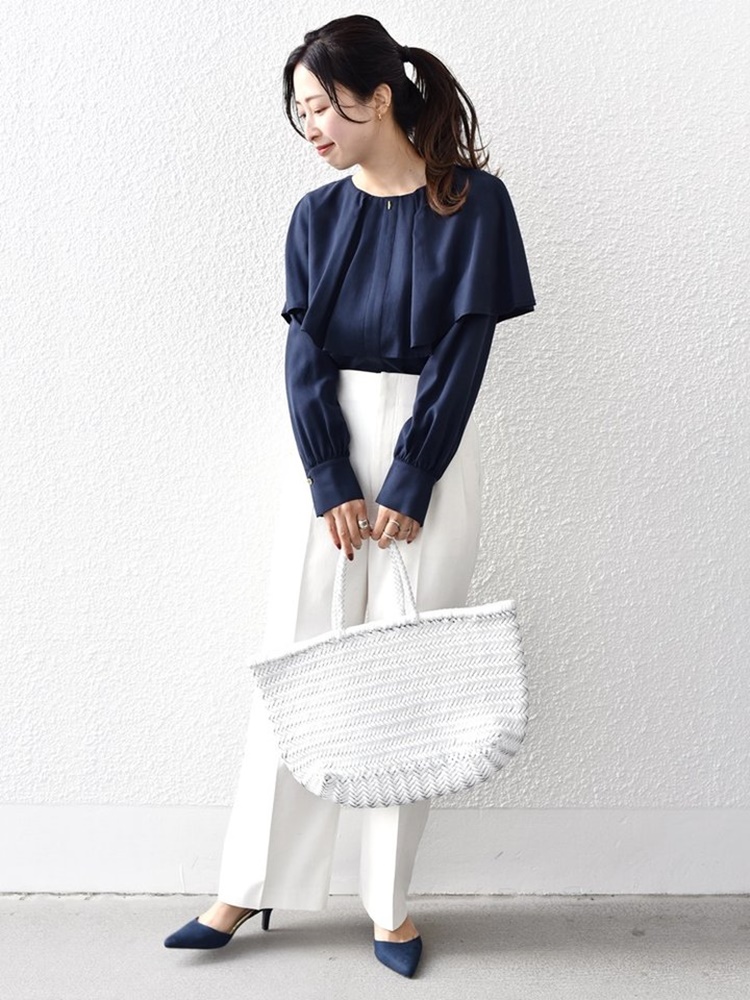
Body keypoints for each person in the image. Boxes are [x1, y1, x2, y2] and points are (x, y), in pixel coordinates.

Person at [164, 14, 535, 978]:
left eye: (323, 107)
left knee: (408, 680)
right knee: (298, 655)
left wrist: (412, 475)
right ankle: (247, 883)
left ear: (378, 97)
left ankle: (389, 907)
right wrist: (329, 474)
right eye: (300, 112)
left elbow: (465, 350)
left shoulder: (475, 205)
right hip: (326, 445)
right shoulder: (315, 216)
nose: (312, 129)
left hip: (431, 448)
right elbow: (303, 355)